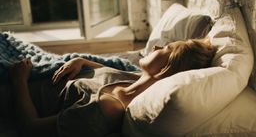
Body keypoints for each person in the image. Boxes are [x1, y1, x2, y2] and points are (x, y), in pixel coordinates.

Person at [9, 38, 216, 137]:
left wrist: (19, 79)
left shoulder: (107, 109)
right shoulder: (135, 78)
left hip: (14, 92)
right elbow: (103, 73)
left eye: (167, 48)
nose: (156, 47)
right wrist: (81, 61)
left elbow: (31, 128)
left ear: (170, 67)